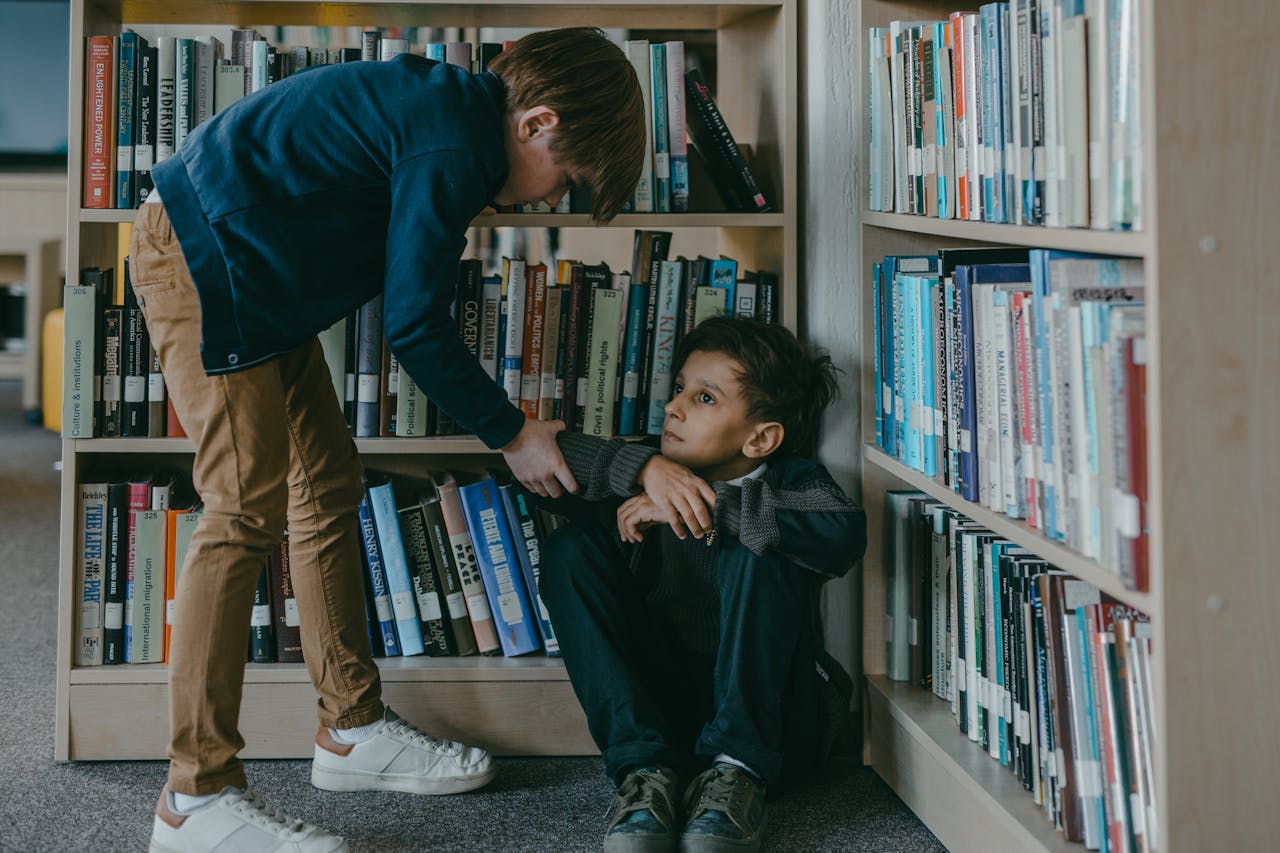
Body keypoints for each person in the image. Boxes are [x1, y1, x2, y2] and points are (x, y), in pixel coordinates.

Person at [133, 27, 644, 853]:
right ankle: (196, 797)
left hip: (256, 269)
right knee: (241, 509)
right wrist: (512, 432)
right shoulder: (454, 142)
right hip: (204, 258)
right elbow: (413, 323)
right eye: (566, 181)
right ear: (538, 124)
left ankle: (351, 730)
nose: (551, 202)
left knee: (327, 482)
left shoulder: (453, 117)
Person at [539, 316, 867, 852]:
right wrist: (641, 468)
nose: (675, 406)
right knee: (568, 549)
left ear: (761, 438)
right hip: (665, 725)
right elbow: (534, 469)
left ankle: (737, 772)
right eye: (679, 388)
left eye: (706, 398)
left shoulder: (792, 481)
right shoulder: (651, 464)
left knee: (760, 542)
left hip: (778, 730)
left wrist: (715, 507)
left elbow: (842, 530)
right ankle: (643, 776)